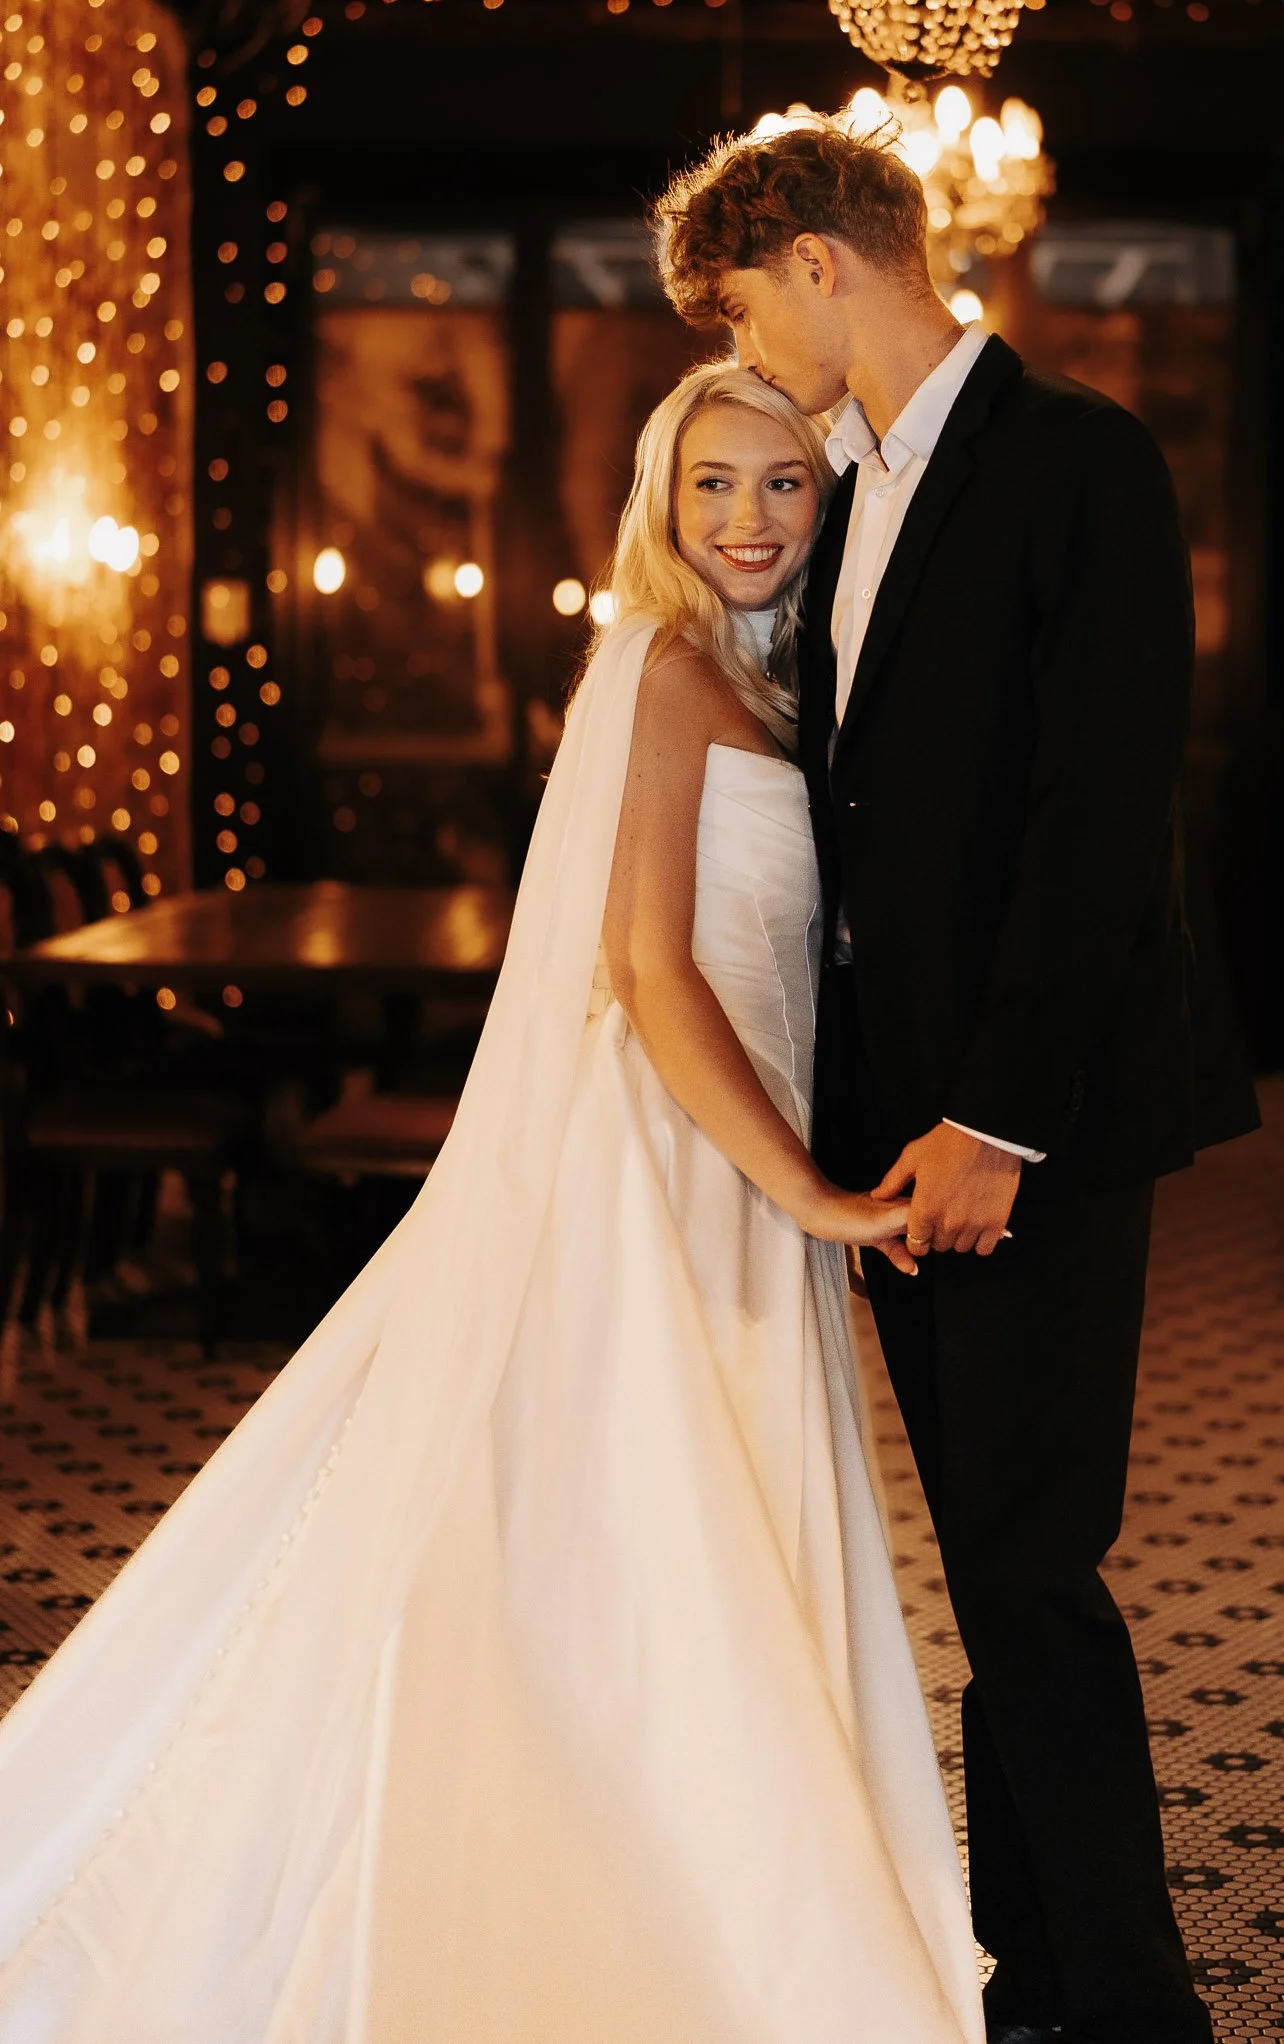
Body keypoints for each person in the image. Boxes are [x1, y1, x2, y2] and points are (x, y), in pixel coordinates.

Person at [0, 361, 984, 2044]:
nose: (748, 519)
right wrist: (807, 1195)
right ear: (660, 512)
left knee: (686, 1531)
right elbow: (647, 972)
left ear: (825, 506)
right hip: (666, 1165)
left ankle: (702, 1905)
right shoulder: (661, 669)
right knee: (633, 1536)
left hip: (736, 1163)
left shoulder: (781, 685)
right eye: (712, 488)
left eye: (782, 487)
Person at [655, 122, 1260, 2044]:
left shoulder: (1078, 458)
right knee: (996, 1580)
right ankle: (1035, 1987)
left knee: (1032, 1569)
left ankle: (1128, 2006)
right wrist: (859, 1147)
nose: (750, 351)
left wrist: (995, 1120)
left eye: (744, 304)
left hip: (1034, 1125)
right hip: (903, 1149)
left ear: (819, 260)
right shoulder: (842, 490)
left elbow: (1098, 822)